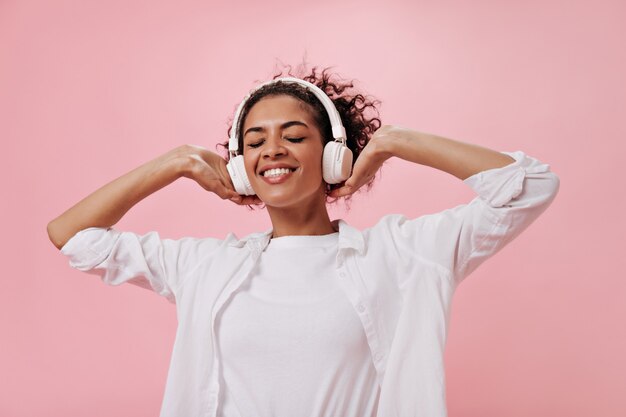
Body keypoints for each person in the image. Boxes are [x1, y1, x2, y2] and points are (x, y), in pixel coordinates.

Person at [47, 65, 560, 417]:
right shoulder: (202, 265)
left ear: (334, 155)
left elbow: (529, 188)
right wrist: (172, 163)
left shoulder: (406, 254)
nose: (273, 150)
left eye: (294, 136)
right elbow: (71, 236)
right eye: (254, 142)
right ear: (240, 167)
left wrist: (398, 142)